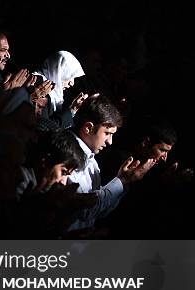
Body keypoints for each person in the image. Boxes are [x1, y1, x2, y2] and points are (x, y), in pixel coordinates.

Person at [67, 95, 156, 231]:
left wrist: (123, 182)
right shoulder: (67, 155)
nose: (110, 141)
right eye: (107, 133)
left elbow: (97, 213)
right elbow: (85, 210)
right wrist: (121, 181)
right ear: (88, 128)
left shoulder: (92, 162)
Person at [33, 51, 89, 130]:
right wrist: (71, 111)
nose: (72, 83)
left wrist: (73, 109)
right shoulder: (40, 86)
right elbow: (45, 129)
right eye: (69, 75)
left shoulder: (53, 91)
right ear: (58, 70)